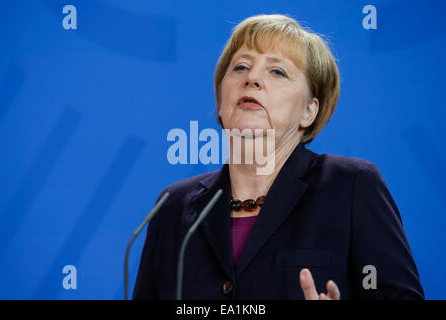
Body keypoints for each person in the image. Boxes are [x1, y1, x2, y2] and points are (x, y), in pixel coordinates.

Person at [133, 14, 424, 300]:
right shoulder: (172, 207)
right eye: (241, 67)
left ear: (309, 111)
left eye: (278, 72)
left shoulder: (351, 187)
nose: (252, 78)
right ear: (221, 101)